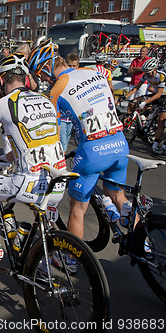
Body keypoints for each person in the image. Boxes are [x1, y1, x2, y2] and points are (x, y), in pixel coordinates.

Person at [29, 39, 129, 273]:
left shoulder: (56, 89)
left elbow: (50, 131)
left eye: (39, 74)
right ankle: (141, 239)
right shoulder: (95, 71)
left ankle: (71, 260)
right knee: (117, 193)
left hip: (93, 150)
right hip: (120, 142)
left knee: (78, 207)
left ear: (46, 67)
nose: (41, 80)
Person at [0, 53, 67, 264]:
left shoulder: (2, 104)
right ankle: (43, 264)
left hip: (28, 183)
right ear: (25, 78)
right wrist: (9, 158)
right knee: (41, 221)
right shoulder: (46, 100)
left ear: (0, 80)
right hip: (58, 180)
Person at [124, 58, 166, 154]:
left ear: (154, 69)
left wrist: (145, 102)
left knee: (161, 122)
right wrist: (125, 96)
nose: (147, 75)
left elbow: (159, 94)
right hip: (156, 96)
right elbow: (136, 88)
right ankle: (144, 121)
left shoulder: (162, 76)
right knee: (136, 100)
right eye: (146, 73)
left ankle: (156, 144)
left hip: (164, 96)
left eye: (149, 73)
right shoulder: (146, 76)